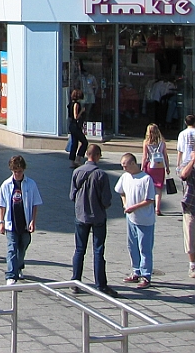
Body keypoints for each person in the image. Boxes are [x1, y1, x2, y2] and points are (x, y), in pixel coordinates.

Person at [69, 144, 117, 296]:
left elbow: (72, 195)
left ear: (87, 155)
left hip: (81, 216)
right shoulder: (101, 174)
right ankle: (101, 285)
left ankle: (75, 281)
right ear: (97, 156)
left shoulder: (77, 172)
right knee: (98, 250)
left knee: (79, 249)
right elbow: (106, 200)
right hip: (98, 217)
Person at [0, 155, 42, 285]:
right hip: (11, 222)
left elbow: (35, 204)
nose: (17, 174)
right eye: (15, 171)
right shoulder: (6, 184)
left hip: (25, 223)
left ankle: (19, 266)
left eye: (20, 171)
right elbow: (2, 204)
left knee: (22, 247)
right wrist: (1, 222)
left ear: (24, 170)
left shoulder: (31, 184)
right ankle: (11, 274)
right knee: (11, 248)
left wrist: (33, 221)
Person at [116, 152, 156, 288]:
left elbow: (150, 200)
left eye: (125, 166)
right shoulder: (125, 177)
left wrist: (134, 207)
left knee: (144, 247)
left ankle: (146, 275)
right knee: (132, 246)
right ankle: (136, 271)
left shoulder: (146, 179)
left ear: (133, 163)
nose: (124, 169)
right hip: (131, 218)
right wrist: (125, 203)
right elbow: (120, 191)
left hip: (145, 219)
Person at [141, 123, 170, 215]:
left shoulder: (146, 142)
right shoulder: (162, 142)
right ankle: (157, 208)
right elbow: (165, 156)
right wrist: (167, 167)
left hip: (150, 165)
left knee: (148, 186)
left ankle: (147, 205)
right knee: (159, 188)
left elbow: (144, 157)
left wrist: (142, 167)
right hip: (160, 166)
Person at [179, 151, 195, 279]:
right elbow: (183, 175)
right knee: (190, 238)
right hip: (191, 206)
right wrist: (193, 161)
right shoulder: (187, 163)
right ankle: (192, 265)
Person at [67, 89, 89, 168]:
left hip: (72, 126)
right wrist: (82, 111)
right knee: (84, 142)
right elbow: (76, 116)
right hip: (75, 126)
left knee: (74, 144)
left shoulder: (71, 103)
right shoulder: (76, 104)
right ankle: (78, 159)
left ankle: (72, 162)